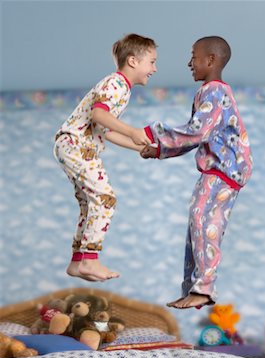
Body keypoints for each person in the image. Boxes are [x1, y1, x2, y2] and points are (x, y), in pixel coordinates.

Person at [140, 36, 253, 309]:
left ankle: (202, 288)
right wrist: (159, 151)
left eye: (194, 56)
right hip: (224, 171)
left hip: (222, 170)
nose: (190, 63)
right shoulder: (212, 92)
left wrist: (153, 134)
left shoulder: (214, 91)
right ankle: (195, 288)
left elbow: (197, 132)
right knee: (199, 222)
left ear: (211, 60)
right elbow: (198, 137)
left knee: (203, 220)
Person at [54, 33, 157, 282]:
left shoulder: (121, 88)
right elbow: (100, 116)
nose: (154, 69)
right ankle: (90, 259)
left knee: (90, 203)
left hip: (74, 145)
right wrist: (133, 131)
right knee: (105, 198)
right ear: (133, 61)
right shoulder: (116, 84)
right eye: (152, 62)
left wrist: (139, 147)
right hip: (76, 144)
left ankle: (78, 262)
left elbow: (106, 130)